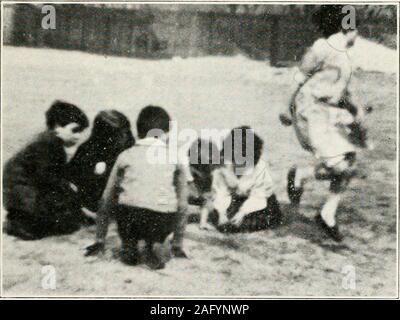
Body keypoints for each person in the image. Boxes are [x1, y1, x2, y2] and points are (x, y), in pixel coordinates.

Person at [280, 5, 369, 241]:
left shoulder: (346, 56)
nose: (357, 34)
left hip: (328, 113)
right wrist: (285, 107)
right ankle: (309, 187)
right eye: (354, 28)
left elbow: (341, 91)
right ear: (347, 28)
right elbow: (300, 76)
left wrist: (356, 109)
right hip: (311, 111)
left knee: (348, 161)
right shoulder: (323, 47)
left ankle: (322, 206)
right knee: (342, 167)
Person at [84, 106, 187, 269]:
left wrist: (99, 239)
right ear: (166, 134)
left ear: (138, 132)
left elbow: (106, 198)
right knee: (165, 209)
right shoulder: (175, 157)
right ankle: (154, 242)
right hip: (161, 219)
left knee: (127, 207)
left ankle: (130, 244)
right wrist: (178, 244)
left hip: (130, 217)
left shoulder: (126, 155)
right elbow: (182, 205)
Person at [3, 100, 89, 240]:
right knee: (66, 223)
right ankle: (19, 223)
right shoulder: (48, 144)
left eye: (81, 131)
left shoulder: (50, 141)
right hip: (22, 192)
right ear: (57, 127)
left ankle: (22, 220)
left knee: (67, 216)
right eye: (75, 130)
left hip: (20, 191)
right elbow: (49, 179)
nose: (78, 136)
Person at [210, 126, 282, 233]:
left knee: (253, 222)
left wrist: (242, 212)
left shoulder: (260, 169)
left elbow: (258, 197)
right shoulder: (224, 167)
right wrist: (222, 214)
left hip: (259, 202)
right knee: (220, 219)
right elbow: (221, 193)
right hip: (234, 200)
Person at [67, 110, 135, 214]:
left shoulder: (128, 145)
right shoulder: (87, 150)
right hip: (95, 203)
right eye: (118, 135)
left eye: (125, 133)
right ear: (104, 135)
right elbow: (73, 178)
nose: (123, 137)